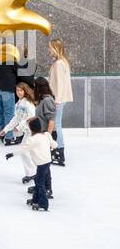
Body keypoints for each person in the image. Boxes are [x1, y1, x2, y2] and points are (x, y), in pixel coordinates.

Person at [48, 39, 72, 167]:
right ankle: (57, 150)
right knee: (56, 124)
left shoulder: (58, 64)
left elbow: (60, 84)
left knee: (56, 125)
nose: (49, 50)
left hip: (58, 99)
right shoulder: (63, 62)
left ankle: (59, 151)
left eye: (50, 48)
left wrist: (57, 100)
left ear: (56, 48)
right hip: (59, 99)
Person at [0, 55, 19, 145]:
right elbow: (20, 74)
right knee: (9, 113)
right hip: (7, 90)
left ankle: (1, 133)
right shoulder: (12, 62)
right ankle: (8, 138)